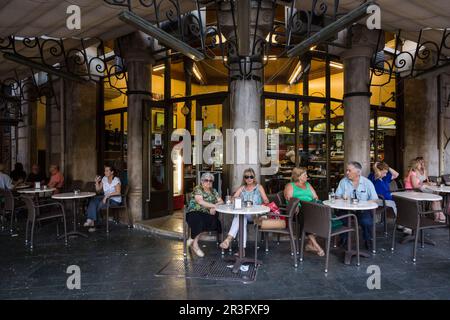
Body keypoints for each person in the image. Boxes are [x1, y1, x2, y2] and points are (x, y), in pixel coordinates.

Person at [219, 168, 269, 254]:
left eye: (251, 176)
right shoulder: (242, 188)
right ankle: (241, 249)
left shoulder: (259, 187)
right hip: (245, 214)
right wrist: (234, 199)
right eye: (247, 177)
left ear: (254, 177)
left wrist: (263, 203)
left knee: (241, 217)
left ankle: (229, 239)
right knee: (241, 217)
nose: (249, 179)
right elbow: (233, 198)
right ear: (244, 178)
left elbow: (266, 200)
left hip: (256, 215)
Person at [335, 161, 379, 250]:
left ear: (358, 172)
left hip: (362, 209)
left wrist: (364, 204)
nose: (347, 173)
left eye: (349, 170)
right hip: (346, 209)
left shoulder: (367, 183)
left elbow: (375, 198)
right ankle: (344, 238)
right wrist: (341, 198)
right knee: (342, 219)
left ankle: (368, 239)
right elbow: (337, 196)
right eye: (346, 170)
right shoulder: (343, 182)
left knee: (366, 221)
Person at [284, 167, 325, 256]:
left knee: (322, 215)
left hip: (311, 208)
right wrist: (297, 206)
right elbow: (290, 199)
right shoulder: (290, 186)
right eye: (305, 175)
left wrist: (314, 202)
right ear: (299, 176)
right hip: (297, 211)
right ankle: (316, 246)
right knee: (306, 217)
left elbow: (315, 197)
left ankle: (310, 245)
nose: (307, 176)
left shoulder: (308, 185)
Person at [186, 172, 224, 257]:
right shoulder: (198, 188)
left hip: (207, 214)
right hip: (194, 212)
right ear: (202, 181)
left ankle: (192, 239)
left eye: (210, 181)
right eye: (206, 180)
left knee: (213, 222)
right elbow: (200, 202)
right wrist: (214, 206)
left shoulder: (214, 191)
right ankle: (195, 245)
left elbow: (221, 201)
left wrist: (214, 208)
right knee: (200, 221)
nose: (208, 182)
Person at [368, 162, 411, 234]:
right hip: (378, 199)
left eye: (386, 172)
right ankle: (405, 225)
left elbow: (396, 174)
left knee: (403, 202)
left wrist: (387, 167)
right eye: (384, 172)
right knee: (394, 204)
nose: (385, 174)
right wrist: (375, 166)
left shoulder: (384, 178)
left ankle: (401, 223)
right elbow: (377, 173)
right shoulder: (374, 176)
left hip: (388, 197)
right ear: (378, 170)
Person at [84, 165, 122, 231]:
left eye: (107, 171)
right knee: (93, 200)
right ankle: (90, 220)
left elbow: (118, 192)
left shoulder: (116, 180)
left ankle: (93, 225)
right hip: (106, 198)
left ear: (112, 172)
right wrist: (96, 182)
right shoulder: (104, 178)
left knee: (99, 205)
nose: (105, 172)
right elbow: (98, 190)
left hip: (114, 200)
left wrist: (107, 196)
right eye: (105, 171)